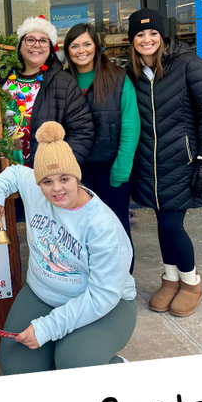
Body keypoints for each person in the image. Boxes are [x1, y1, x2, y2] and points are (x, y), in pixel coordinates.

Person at [0, 121, 136, 374]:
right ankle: (59, 347)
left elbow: (103, 296)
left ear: (76, 176)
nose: (56, 188)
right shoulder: (34, 187)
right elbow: (15, 172)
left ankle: (112, 366)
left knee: (76, 363)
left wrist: (47, 328)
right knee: (16, 369)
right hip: (42, 294)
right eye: (46, 181)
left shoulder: (103, 226)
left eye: (64, 179)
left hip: (103, 304)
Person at [126, 8, 202, 318]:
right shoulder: (132, 73)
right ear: (132, 40)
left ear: (163, 36)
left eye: (153, 33)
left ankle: (191, 282)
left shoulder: (187, 64)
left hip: (183, 163)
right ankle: (170, 278)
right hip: (149, 166)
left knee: (171, 224)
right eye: (140, 34)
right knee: (162, 223)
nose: (147, 39)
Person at [0, 14, 93, 167]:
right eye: (30, 39)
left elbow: (82, 132)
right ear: (20, 45)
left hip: (44, 175)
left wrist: (59, 168)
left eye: (43, 41)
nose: (37, 45)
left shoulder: (64, 83)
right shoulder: (2, 78)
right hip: (2, 173)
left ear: (50, 48)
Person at [62, 22, 140, 249]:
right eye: (74, 46)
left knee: (116, 230)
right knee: (80, 233)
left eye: (87, 44)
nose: (81, 50)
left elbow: (131, 126)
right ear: (67, 51)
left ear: (96, 46)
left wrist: (122, 169)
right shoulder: (62, 81)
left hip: (111, 168)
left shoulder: (118, 78)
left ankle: (123, 273)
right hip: (75, 171)